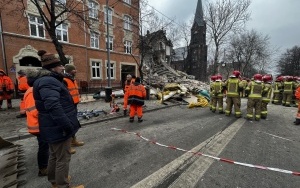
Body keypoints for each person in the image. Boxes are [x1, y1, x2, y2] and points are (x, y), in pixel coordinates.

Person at [33, 50, 84, 188]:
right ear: (53, 67)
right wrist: (67, 125)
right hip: (58, 127)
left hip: (52, 126)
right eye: (60, 65)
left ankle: (55, 181)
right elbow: (53, 105)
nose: (63, 68)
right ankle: (62, 185)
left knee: (54, 156)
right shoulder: (49, 81)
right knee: (63, 159)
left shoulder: (46, 80)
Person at [24, 69, 49, 177]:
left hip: (39, 124)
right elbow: (35, 110)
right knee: (43, 146)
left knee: (45, 145)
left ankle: (45, 165)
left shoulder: (33, 90)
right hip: (37, 125)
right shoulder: (31, 91)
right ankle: (43, 168)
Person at [63, 64, 84, 154]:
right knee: (69, 124)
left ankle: (73, 140)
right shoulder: (64, 80)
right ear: (70, 71)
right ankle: (68, 145)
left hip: (74, 104)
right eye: (74, 69)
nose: (76, 71)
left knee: (74, 123)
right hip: (68, 106)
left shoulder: (72, 79)